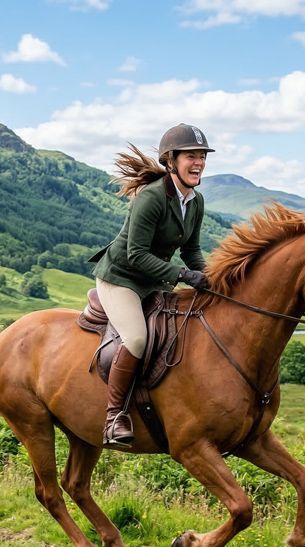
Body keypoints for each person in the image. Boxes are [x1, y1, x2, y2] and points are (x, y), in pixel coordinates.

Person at [87, 123, 213, 447]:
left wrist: (213, 278)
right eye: (191, 156)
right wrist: (183, 276)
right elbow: (136, 253)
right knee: (138, 338)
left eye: (202, 156)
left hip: (153, 280)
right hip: (121, 279)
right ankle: (114, 416)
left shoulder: (195, 202)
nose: (198, 162)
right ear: (171, 161)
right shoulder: (152, 197)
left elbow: (191, 250)